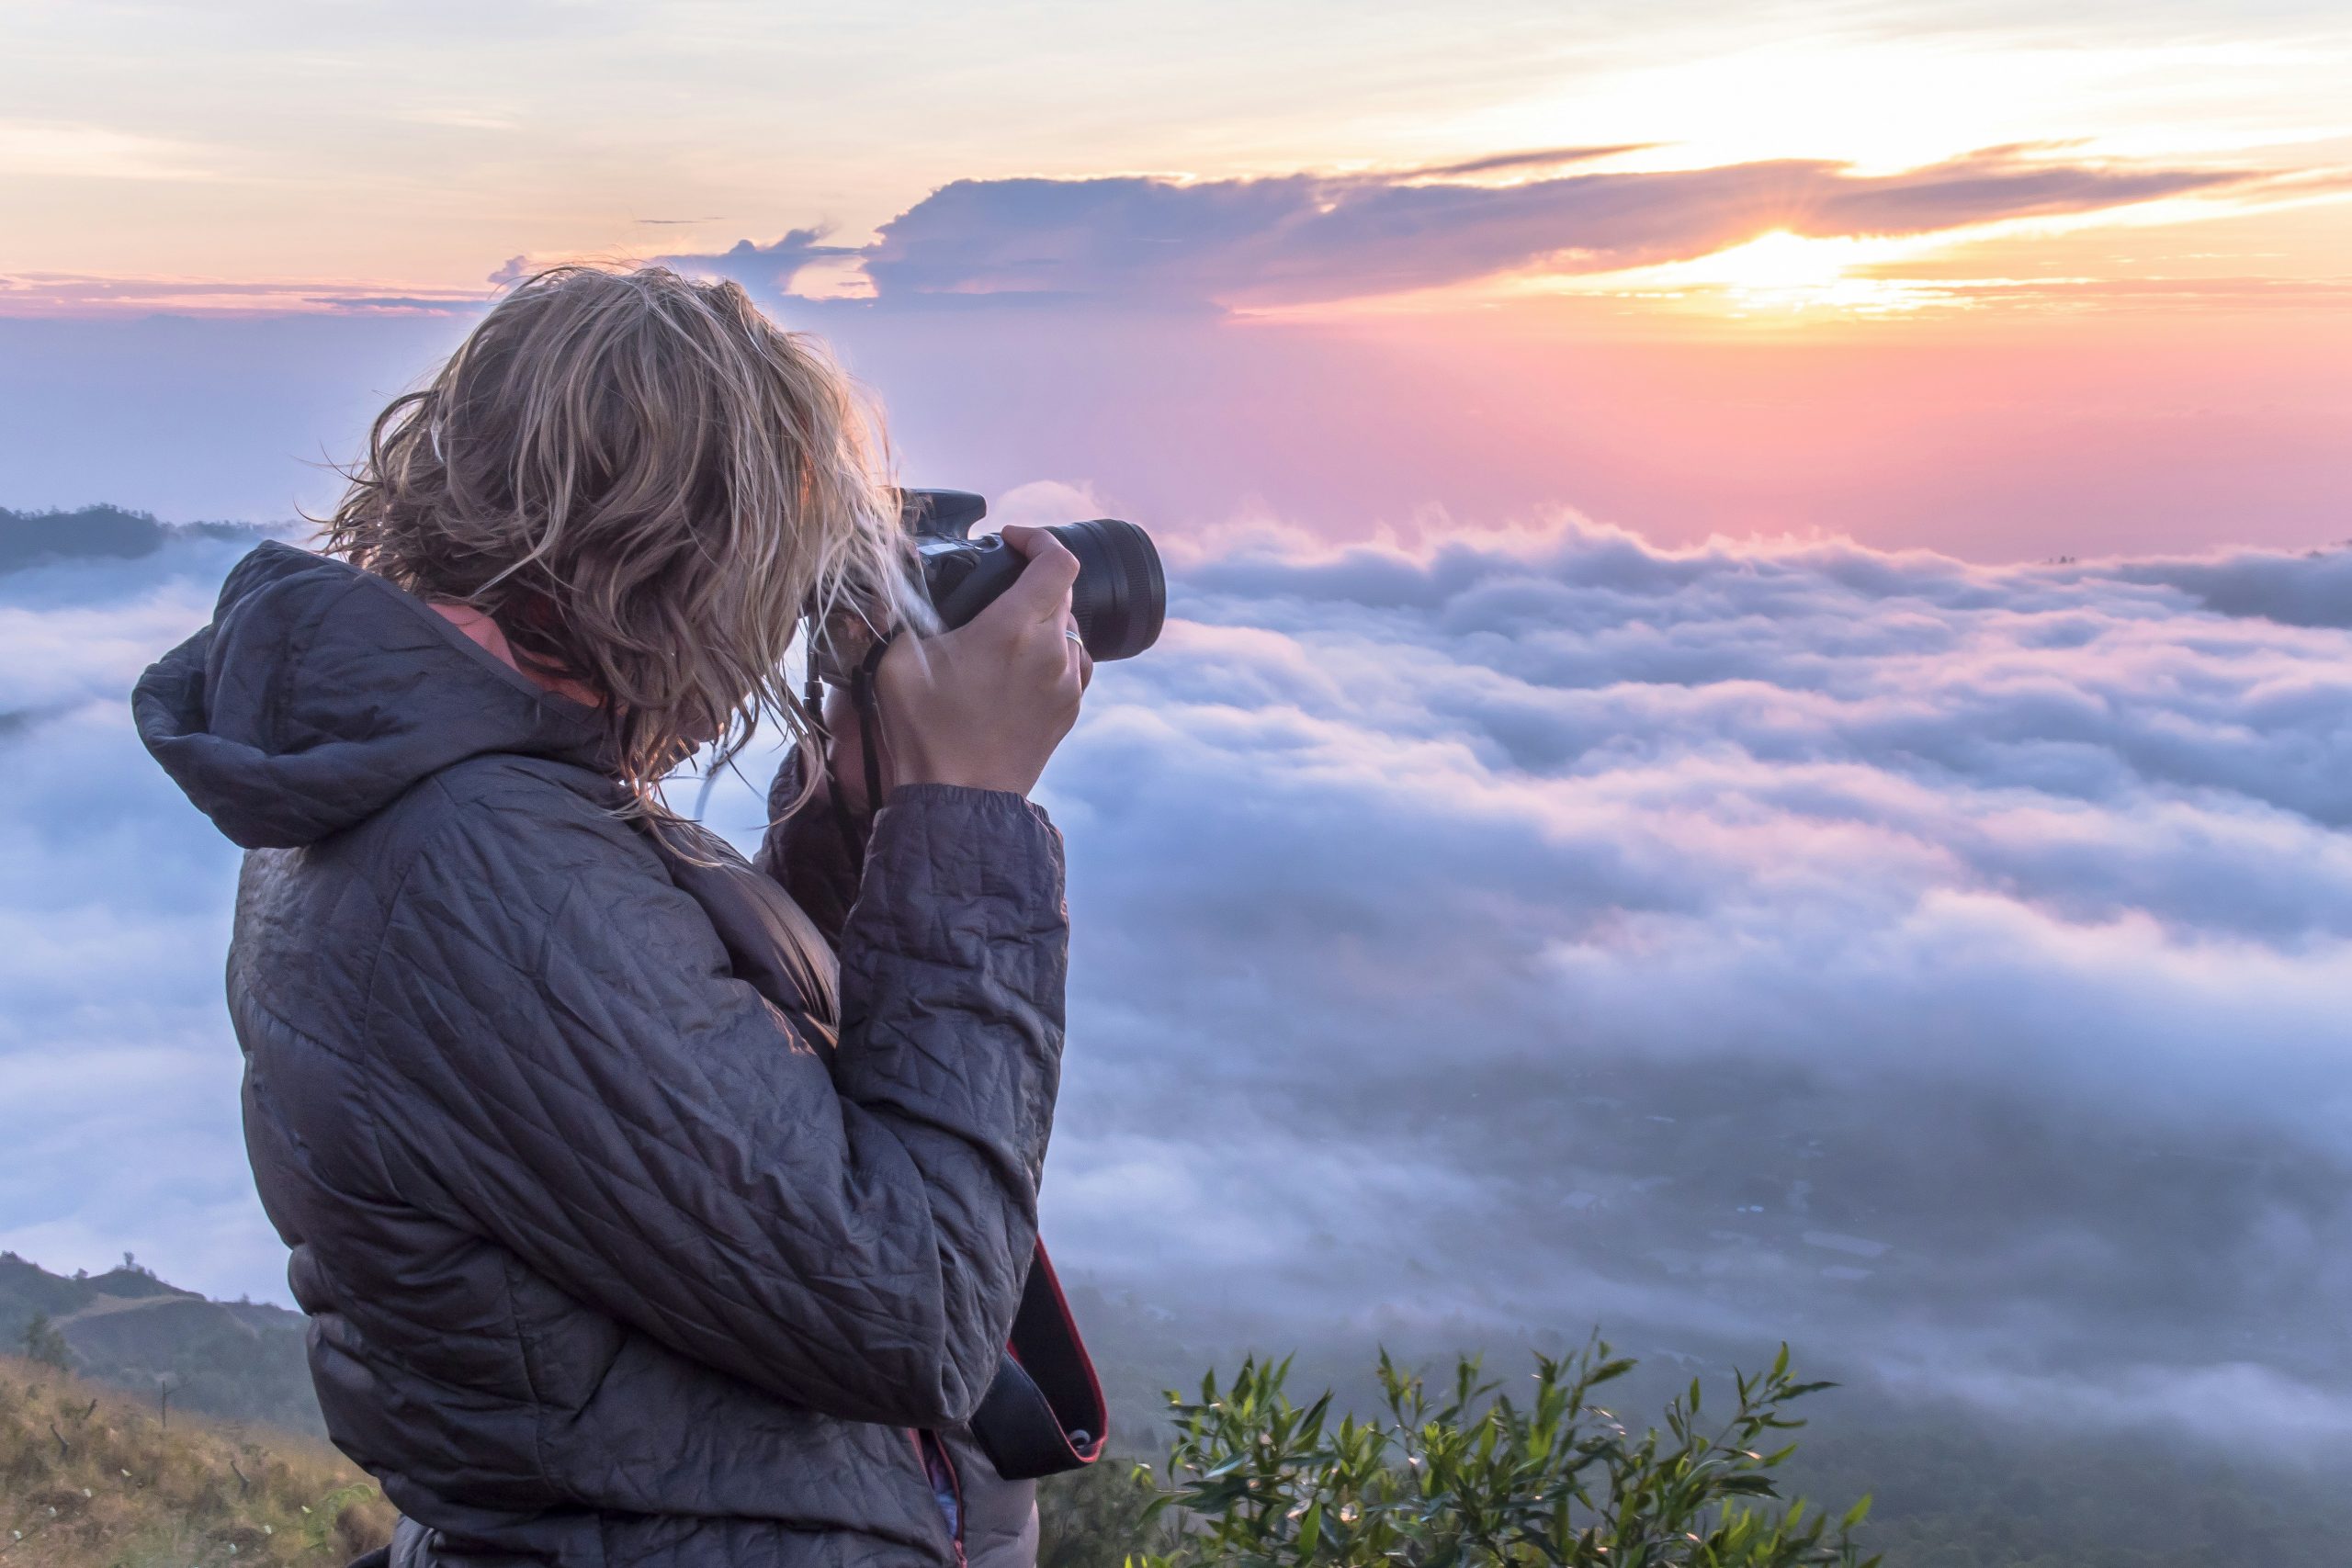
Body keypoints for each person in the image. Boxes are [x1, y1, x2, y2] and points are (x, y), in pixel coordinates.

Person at [132, 265, 1091, 1568]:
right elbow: (918, 1312)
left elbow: (713, 1091)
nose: (779, 625)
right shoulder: (472, 862)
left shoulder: (463, 790)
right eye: (781, 566)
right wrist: (967, 822)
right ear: (681, 557)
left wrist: (857, 820)